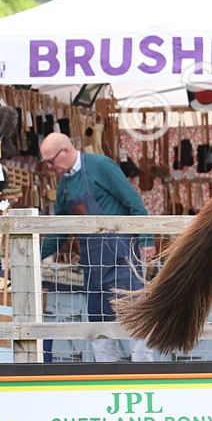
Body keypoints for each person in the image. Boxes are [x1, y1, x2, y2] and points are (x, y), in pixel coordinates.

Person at [38, 133, 156, 362]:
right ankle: (106, 375)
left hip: (123, 255)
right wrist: (36, 255)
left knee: (135, 318)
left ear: (65, 151)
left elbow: (134, 202)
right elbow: (61, 228)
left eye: (50, 161)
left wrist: (146, 238)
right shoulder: (64, 186)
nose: (50, 167)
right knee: (98, 322)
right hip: (93, 262)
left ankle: (145, 373)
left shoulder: (100, 166)